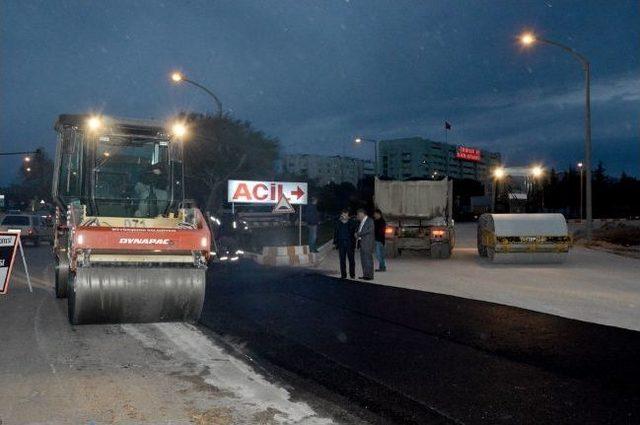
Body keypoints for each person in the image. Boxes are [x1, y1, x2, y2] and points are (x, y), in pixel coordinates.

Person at [333, 208, 356, 279]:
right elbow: (335, 233)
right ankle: (343, 275)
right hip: (341, 244)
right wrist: (335, 243)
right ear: (341, 214)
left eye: (346, 214)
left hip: (350, 243)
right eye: (343, 214)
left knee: (351, 260)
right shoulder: (338, 223)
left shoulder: (351, 222)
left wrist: (348, 221)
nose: (344, 216)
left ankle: (352, 274)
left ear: (348, 215)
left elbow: (353, 230)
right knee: (342, 260)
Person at [355, 208, 375, 280]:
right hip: (362, 243)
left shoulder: (370, 221)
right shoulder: (362, 221)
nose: (358, 216)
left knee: (368, 260)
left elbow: (368, 230)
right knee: (363, 260)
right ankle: (365, 274)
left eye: (358, 214)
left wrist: (358, 234)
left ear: (362, 213)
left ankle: (369, 276)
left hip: (367, 243)